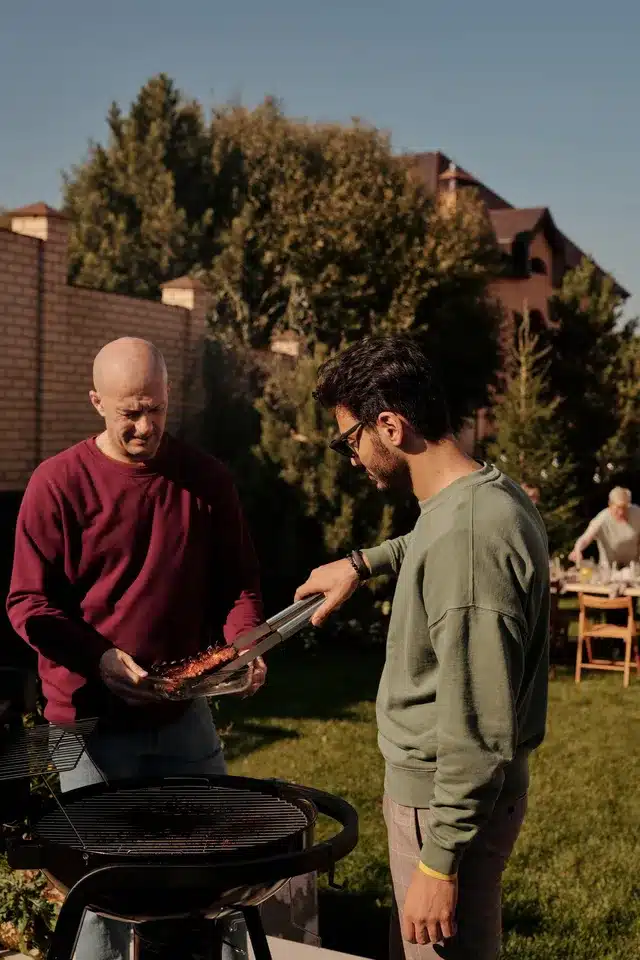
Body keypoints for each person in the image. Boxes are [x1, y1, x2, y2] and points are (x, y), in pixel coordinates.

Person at [6, 337, 266, 960]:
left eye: (154, 409)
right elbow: (27, 604)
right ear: (97, 401)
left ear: (169, 397)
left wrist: (247, 644)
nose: (144, 426)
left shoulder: (205, 480)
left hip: (183, 713)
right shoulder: (57, 484)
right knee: (102, 894)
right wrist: (98, 657)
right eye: (129, 412)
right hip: (85, 723)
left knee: (215, 878)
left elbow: (239, 584)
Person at [295, 336, 550, 960]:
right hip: (452, 801)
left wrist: (439, 864)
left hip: (444, 803)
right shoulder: (483, 495)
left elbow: (479, 728)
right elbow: (429, 542)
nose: (351, 457)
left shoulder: (466, 542)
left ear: (390, 425)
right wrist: (362, 563)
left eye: (349, 439)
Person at [569, 486, 640, 569]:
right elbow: (586, 538)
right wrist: (577, 550)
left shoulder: (637, 513)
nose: (621, 512)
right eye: (618, 508)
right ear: (610, 504)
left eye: (624, 508)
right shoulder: (602, 518)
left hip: (633, 568)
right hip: (608, 570)